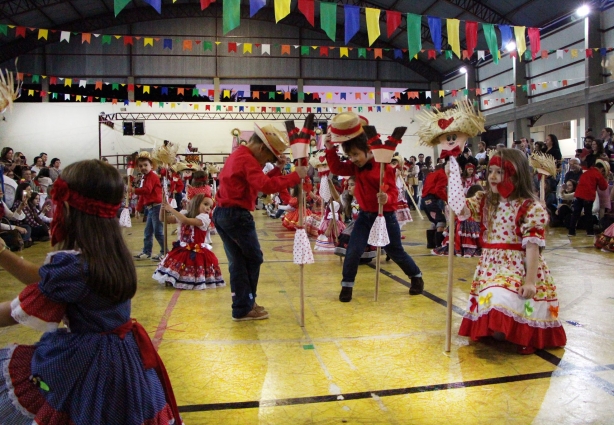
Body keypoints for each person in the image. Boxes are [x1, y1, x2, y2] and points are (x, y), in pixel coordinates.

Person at [0, 159, 181, 424]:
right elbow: (46, 279)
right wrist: (3, 255)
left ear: (69, 207)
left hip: (88, 362)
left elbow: (16, 313)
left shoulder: (73, 266)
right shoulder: (112, 253)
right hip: (124, 356)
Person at [457, 149, 567, 354]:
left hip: (518, 267)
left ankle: (518, 334)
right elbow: (459, 208)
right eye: (491, 171)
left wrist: (531, 281)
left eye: (499, 172)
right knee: (493, 305)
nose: (492, 176)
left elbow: (532, 246)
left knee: (501, 300)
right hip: (490, 267)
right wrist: (453, 171)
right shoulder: (485, 201)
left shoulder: (529, 207)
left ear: (516, 175)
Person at [324, 113, 424, 302]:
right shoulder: (355, 167)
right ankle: (347, 286)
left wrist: (386, 197)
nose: (352, 159)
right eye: (349, 155)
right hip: (364, 216)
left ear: (368, 150)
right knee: (353, 250)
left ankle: (416, 277)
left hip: (386, 216)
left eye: (355, 154)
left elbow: (394, 192)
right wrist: (330, 149)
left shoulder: (383, 166)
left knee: (395, 251)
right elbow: (336, 168)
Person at [213, 123, 307, 321]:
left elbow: (257, 182)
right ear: (262, 148)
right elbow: (265, 186)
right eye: (269, 158)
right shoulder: (247, 159)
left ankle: (243, 305)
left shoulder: (239, 155)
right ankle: (245, 304)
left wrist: (278, 169)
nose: (266, 161)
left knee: (238, 262)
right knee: (252, 259)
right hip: (236, 215)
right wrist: (294, 176)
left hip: (224, 214)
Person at [153, 194, 224, 289]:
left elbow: (185, 220)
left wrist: (170, 209)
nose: (208, 208)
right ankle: (177, 279)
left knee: (192, 267)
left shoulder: (204, 218)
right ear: (196, 203)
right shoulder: (185, 213)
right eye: (205, 204)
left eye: (210, 207)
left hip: (196, 250)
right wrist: (163, 207)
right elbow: (163, 219)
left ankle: (189, 281)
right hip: (182, 249)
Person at [431, 184, 484, 258]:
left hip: (460, 224)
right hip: (471, 224)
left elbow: (454, 211)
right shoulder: (477, 201)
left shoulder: (465, 201)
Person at [132, 152, 164, 260]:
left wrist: (134, 190)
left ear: (151, 165)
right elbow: (143, 195)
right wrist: (138, 209)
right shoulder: (144, 178)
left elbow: (147, 190)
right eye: (140, 166)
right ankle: (147, 251)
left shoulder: (152, 177)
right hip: (151, 208)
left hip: (157, 207)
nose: (143, 167)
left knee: (158, 232)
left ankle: (165, 252)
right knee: (148, 232)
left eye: (145, 165)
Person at [568, 161, 608, 237]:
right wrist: (605, 178)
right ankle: (589, 232)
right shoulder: (598, 174)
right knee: (588, 214)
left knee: (575, 213)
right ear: (601, 168)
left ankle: (571, 231)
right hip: (588, 196)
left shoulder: (586, 172)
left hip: (578, 194)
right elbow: (603, 187)